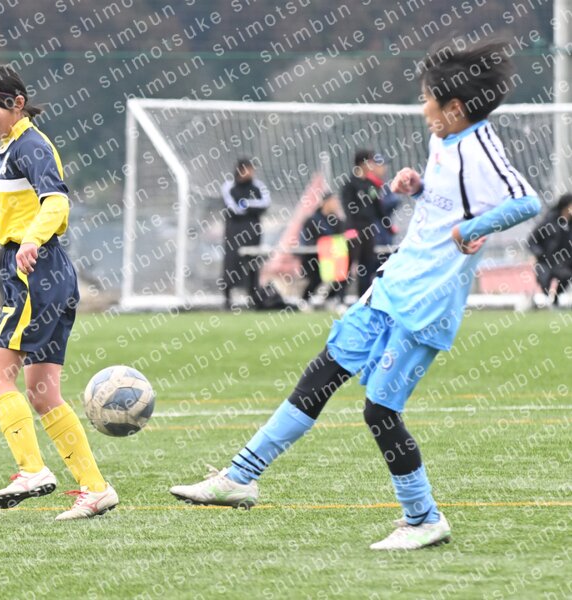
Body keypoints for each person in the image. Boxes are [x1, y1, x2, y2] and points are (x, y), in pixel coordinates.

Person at [169, 40, 541, 550]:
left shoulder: (480, 147)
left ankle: (423, 519)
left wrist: (474, 228)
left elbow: (526, 200)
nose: (422, 107)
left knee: (379, 411)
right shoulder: (445, 140)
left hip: (425, 305)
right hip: (394, 285)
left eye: (427, 99)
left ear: (454, 108)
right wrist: (417, 188)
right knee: (322, 372)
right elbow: (450, 201)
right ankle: (239, 477)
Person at [0, 65, 118, 520]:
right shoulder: (10, 149)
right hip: (48, 271)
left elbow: (57, 202)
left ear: (17, 103)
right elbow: (9, 221)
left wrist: (32, 241)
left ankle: (32, 470)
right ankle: (95, 489)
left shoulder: (30, 146)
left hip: (36, 273)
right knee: (42, 394)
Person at [220, 158, 272, 309]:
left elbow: (265, 204)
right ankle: (227, 299)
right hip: (233, 233)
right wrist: (249, 207)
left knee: (253, 265)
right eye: (248, 169)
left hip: (253, 233)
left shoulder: (258, 186)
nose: (251, 172)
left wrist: (246, 204)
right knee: (231, 264)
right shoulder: (229, 187)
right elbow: (233, 209)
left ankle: (254, 299)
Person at [341, 149, 388, 298]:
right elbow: (347, 207)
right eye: (371, 161)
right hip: (354, 229)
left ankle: (363, 297)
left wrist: (388, 226)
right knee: (349, 263)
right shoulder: (350, 184)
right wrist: (349, 228)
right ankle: (339, 297)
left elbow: (378, 208)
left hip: (369, 228)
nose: (373, 165)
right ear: (363, 163)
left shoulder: (371, 185)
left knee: (367, 263)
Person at [298, 191, 347, 304]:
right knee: (316, 278)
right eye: (333, 201)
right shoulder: (313, 220)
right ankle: (304, 301)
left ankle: (331, 299)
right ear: (325, 202)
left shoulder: (338, 221)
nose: (336, 204)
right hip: (314, 257)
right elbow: (308, 240)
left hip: (333, 257)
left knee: (342, 275)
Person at [527, 193, 572, 306]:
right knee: (543, 279)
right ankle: (545, 300)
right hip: (545, 261)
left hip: (564, 263)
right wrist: (538, 254)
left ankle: (556, 299)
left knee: (567, 276)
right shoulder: (549, 222)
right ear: (566, 206)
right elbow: (532, 240)